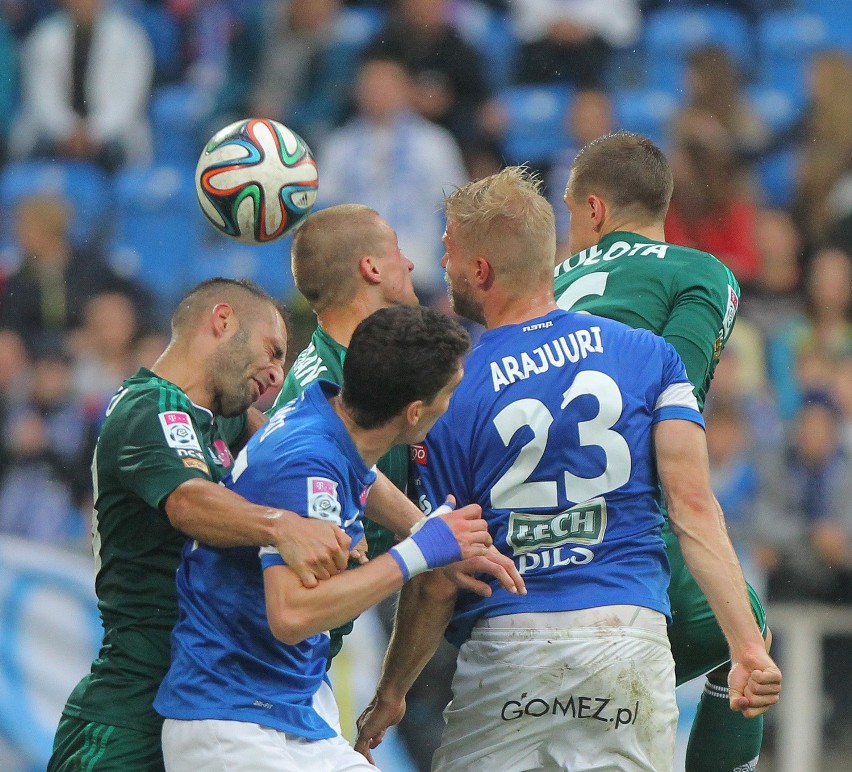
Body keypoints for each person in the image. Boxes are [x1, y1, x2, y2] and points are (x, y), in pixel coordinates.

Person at [355, 167, 780, 771]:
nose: (442, 268)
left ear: (481, 271)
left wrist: (392, 691)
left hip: (512, 648)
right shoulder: (650, 355)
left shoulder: (453, 391)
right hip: (626, 638)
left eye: (449, 253)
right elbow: (691, 507)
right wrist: (746, 646)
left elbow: (441, 575)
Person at [153, 304, 511, 770]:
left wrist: (425, 529)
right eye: (450, 393)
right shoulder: (305, 464)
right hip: (232, 724)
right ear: (415, 412)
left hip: (289, 712)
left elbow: (361, 472)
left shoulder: (326, 412)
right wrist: (419, 551)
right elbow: (292, 613)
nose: (452, 404)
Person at [47, 278, 361, 771]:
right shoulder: (146, 409)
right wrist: (283, 526)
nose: (277, 375)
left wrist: (425, 529)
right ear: (222, 321)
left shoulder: (222, 421)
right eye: (272, 351)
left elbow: (310, 446)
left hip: (212, 694)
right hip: (132, 707)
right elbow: (189, 504)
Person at [554, 131, 773, 771]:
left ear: (593, 211)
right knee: (746, 635)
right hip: (622, 527)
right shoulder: (699, 273)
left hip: (518, 530)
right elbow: (675, 399)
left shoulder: (538, 282)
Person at [10, 0, 155, 170]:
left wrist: (92, 133)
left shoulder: (129, 36)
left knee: (114, 155)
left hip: (112, 136)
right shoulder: (44, 36)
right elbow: (43, 99)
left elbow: (128, 102)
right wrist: (69, 131)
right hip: (55, 135)